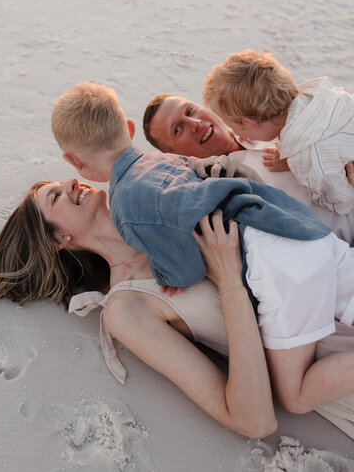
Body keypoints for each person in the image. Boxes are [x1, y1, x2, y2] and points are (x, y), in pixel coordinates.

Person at [51, 81, 354, 417]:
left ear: (73, 161)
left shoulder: (127, 209)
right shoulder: (171, 161)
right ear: (128, 129)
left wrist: (167, 274)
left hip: (276, 263)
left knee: (296, 395)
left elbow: (188, 269)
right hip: (303, 229)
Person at [0, 178, 354, 439]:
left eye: (65, 181)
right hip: (331, 365)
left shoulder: (162, 212)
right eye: (56, 197)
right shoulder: (127, 307)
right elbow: (253, 420)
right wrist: (228, 280)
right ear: (60, 239)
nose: (73, 184)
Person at [142, 94, 354, 245]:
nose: (194, 122)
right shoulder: (218, 194)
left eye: (190, 111)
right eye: (177, 129)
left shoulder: (265, 115)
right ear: (175, 155)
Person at [202, 49, 354, 214]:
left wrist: (297, 166)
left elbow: (342, 203)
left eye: (231, 125)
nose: (237, 135)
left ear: (249, 124)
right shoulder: (319, 93)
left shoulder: (307, 156)